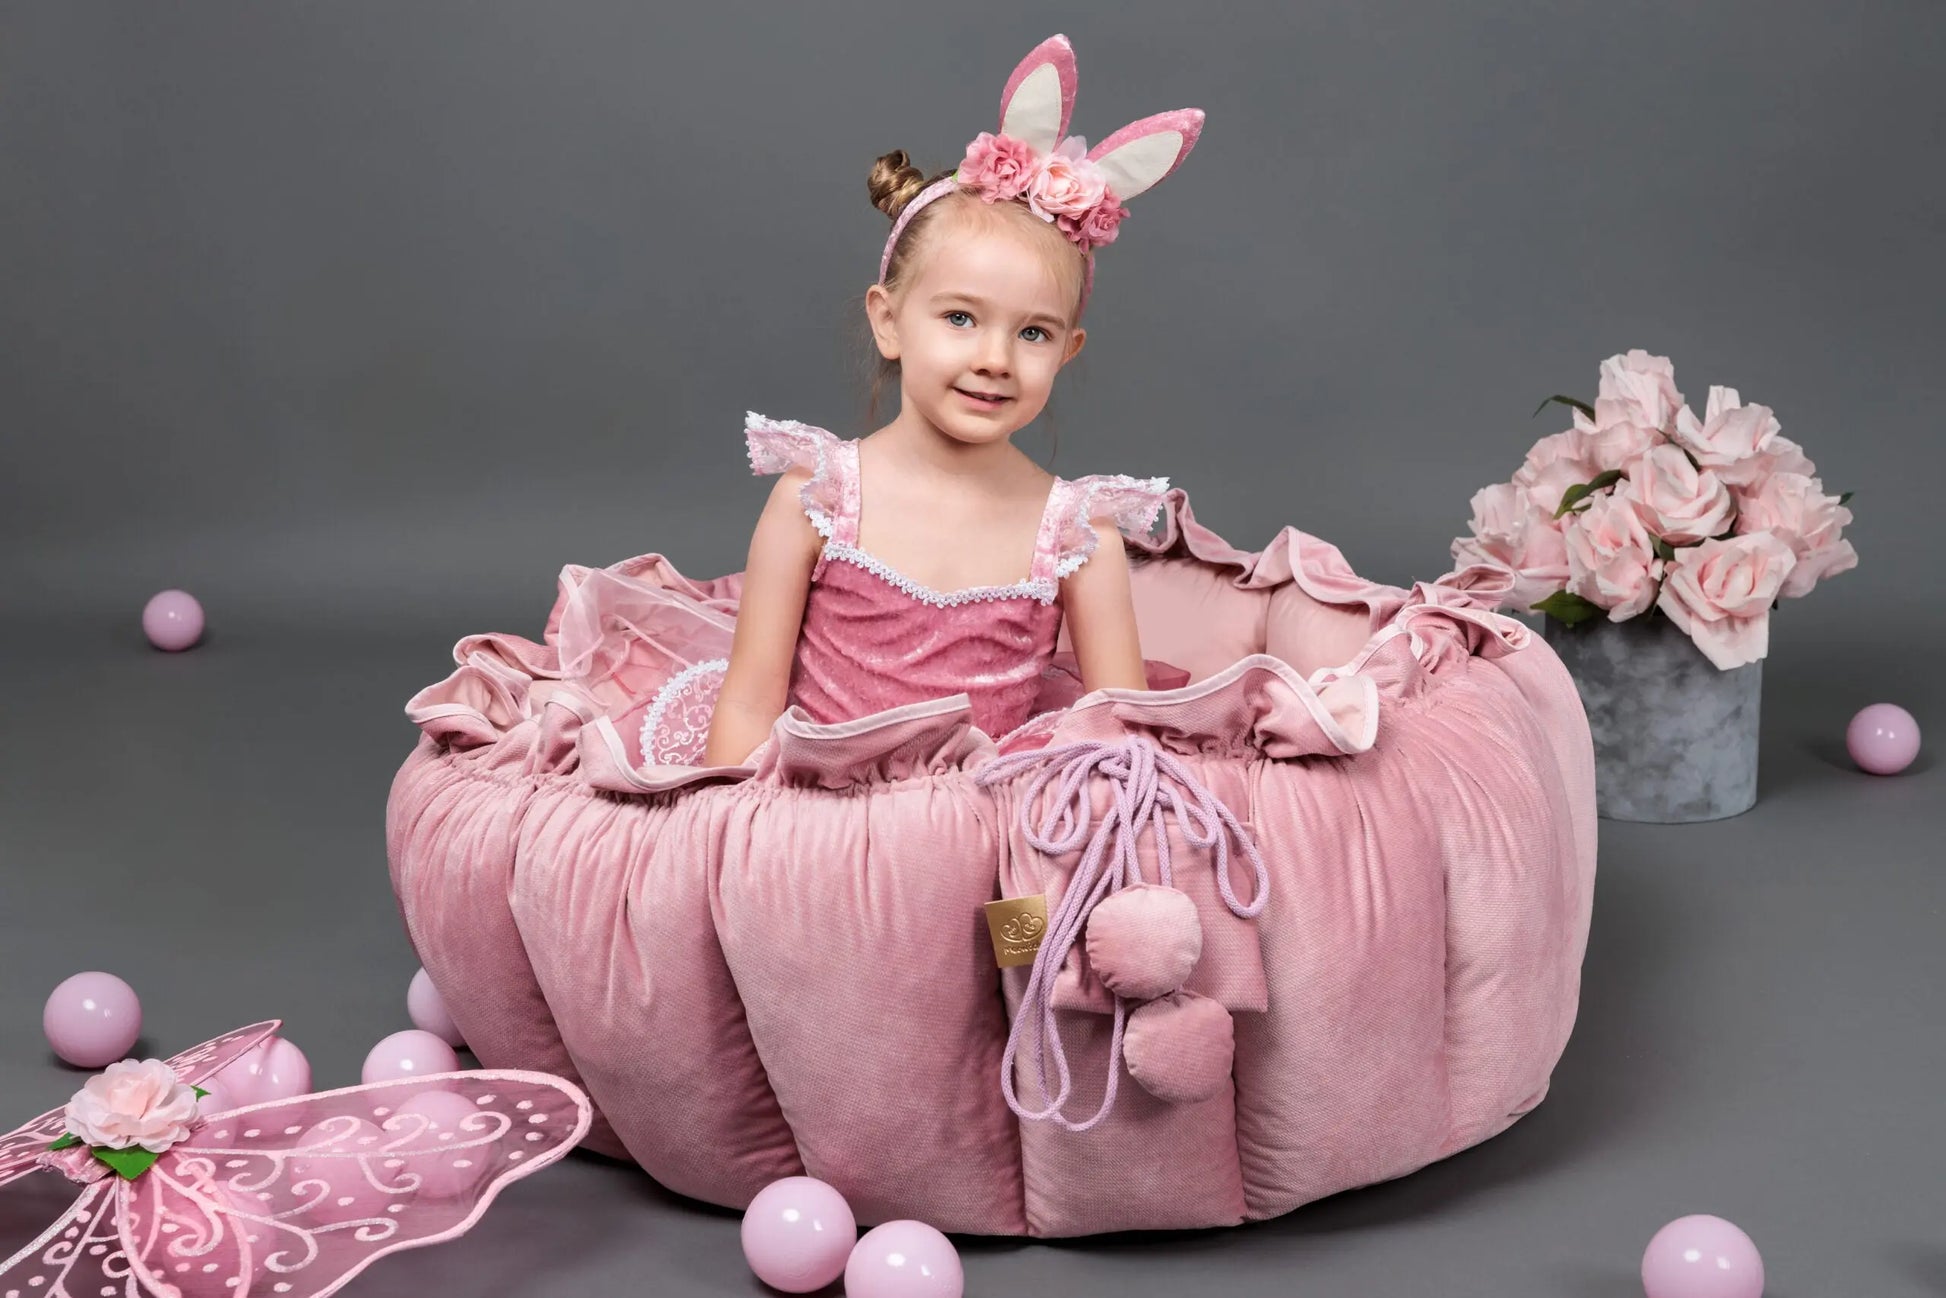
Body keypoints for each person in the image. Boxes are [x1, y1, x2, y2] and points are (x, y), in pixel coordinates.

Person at [692, 34, 1205, 766]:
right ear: (889, 320)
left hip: (981, 832)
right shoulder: (819, 496)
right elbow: (747, 701)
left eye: (1032, 332)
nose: (993, 359)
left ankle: (998, 890)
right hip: (820, 822)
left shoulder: (1076, 534)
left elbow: (1120, 738)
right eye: (960, 318)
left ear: (1067, 352)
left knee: (1071, 882)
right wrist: (732, 848)